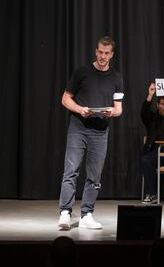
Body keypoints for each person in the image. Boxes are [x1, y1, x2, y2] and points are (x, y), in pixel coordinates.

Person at [58, 36, 123, 230]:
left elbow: (119, 108)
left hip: (100, 131)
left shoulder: (116, 77)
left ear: (112, 55)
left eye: (107, 53)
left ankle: (87, 214)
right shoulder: (82, 72)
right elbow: (65, 99)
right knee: (71, 170)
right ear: (96, 51)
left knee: (95, 175)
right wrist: (79, 109)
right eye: (100, 52)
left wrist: (112, 112)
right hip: (78, 127)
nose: (103, 56)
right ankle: (65, 213)